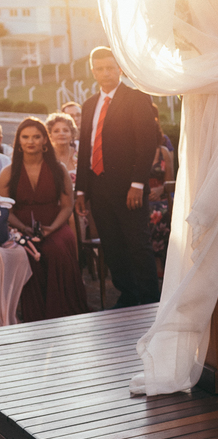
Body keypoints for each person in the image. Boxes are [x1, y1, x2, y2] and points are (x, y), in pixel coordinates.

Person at [74, 47, 160, 308]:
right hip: (98, 188)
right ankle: (129, 295)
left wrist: (137, 184)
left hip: (129, 189)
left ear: (120, 68)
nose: (105, 73)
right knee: (112, 246)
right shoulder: (89, 105)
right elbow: (86, 149)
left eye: (110, 67)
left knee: (137, 244)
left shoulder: (136, 98)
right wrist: (81, 190)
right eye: (99, 69)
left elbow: (147, 143)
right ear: (93, 71)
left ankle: (149, 299)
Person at [0, 118, 88, 321]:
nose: (31, 141)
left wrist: (52, 228)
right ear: (19, 141)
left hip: (55, 223)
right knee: (29, 252)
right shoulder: (8, 172)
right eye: (25, 137)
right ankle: (35, 317)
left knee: (55, 249)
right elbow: (4, 208)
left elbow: (67, 206)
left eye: (36, 137)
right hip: (19, 226)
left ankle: (63, 313)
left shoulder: (59, 170)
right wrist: (22, 227)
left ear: (44, 141)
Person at [146, 111, 174, 275]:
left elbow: (169, 181)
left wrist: (160, 189)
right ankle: (152, 262)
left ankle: (161, 261)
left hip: (162, 196)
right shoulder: (133, 154)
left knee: (160, 212)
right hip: (142, 196)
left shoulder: (163, 151)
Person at [46, 112, 79, 189]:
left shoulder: (80, 152)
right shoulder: (45, 155)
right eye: (56, 131)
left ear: (72, 133)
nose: (61, 134)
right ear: (49, 135)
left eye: (66, 130)